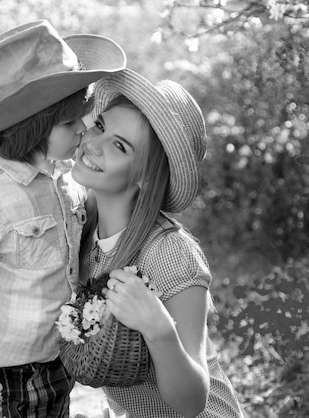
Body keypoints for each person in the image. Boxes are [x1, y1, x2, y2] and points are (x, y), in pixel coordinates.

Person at [0, 20, 126, 418]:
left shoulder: (65, 182)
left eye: (83, 117)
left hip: (57, 358)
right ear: (34, 126)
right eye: (70, 123)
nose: (83, 129)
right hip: (2, 369)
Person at [69, 68, 245, 417]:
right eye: (101, 126)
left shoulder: (170, 253)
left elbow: (192, 401)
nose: (93, 144)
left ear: (146, 178)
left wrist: (157, 326)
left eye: (119, 146)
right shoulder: (81, 234)